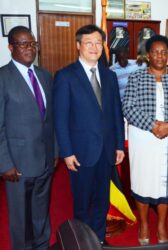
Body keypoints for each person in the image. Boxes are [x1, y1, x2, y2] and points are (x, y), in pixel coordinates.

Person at [53, 24, 125, 245]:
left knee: (102, 201)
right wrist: (66, 152)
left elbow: (116, 112)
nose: (94, 47)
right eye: (88, 43)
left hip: (106, 151)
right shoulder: (65, 76)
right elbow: (60, 118)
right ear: (78, 46)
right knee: (83, 203)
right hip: (80, 152)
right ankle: (82, 243)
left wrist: (119, 145)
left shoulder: (109, 76)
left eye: (98, 43)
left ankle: (100, 241)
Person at [123, 35, 168, 245]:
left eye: (163, 52)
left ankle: (161, 224)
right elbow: (128, 107)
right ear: (148, 54)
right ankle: (144, 223)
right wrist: (152, 125)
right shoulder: (136, 78)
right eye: (155, 52)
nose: (159, 56)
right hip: (143, 139)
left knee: (165, 183)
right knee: (143, 181)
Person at [0, 26, 56, 250]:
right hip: (17, 164)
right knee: (21, 216)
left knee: (41, 210)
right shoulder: (2, 77)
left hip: (44, 160)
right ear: (10, 47)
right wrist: (4, 163)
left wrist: (55, 152)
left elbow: (50, 119)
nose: (29, 48)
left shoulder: (44, 75)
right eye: (23, 44)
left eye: (32, 43)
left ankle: (41, 245)